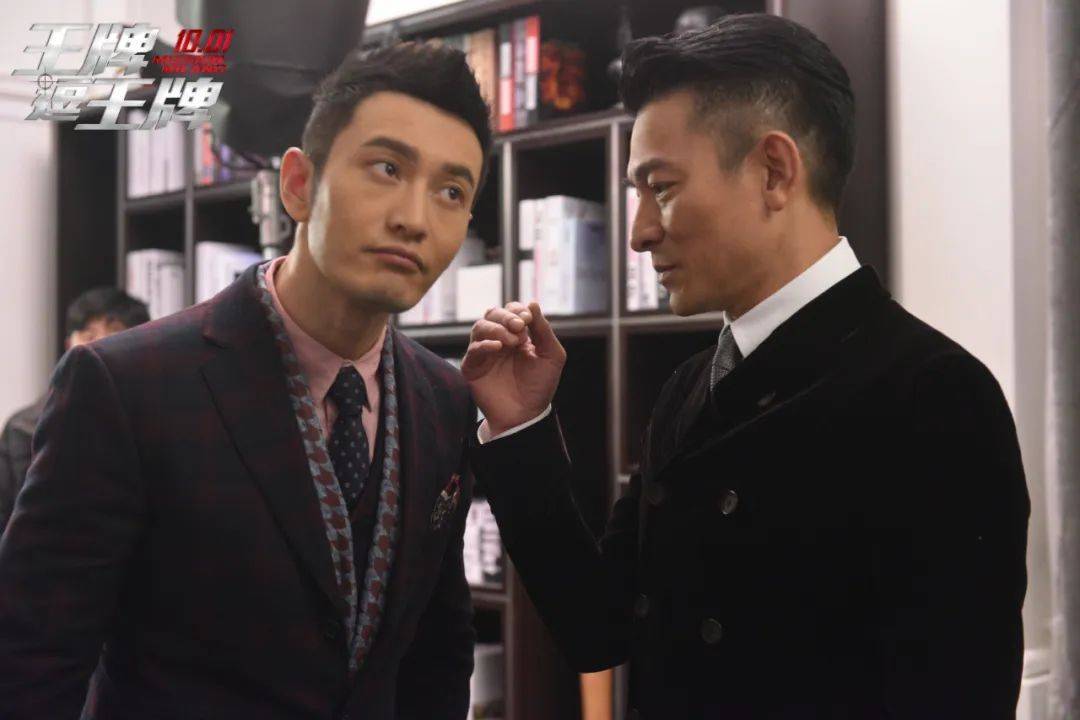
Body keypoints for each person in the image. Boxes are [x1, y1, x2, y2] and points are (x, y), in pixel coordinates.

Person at [462, 14, 1029, 719]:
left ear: (773, 171)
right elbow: (597, 625)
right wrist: (521, 428)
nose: (639, 232)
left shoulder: (934, 396)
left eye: (661, 187)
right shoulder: (687, 387)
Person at [0, 41, 490, 719]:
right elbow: (31, 660)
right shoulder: (127, 386)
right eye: (386, 168)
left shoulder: (446, 399)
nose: (414, 218)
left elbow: (438, 652)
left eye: (451, 191)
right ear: (298, 184)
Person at [0, 287, 149, 535]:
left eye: (115, 336)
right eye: (89, 336)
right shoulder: (22, 427)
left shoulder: (157, 421)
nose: (99, 347)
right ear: (69, 345)